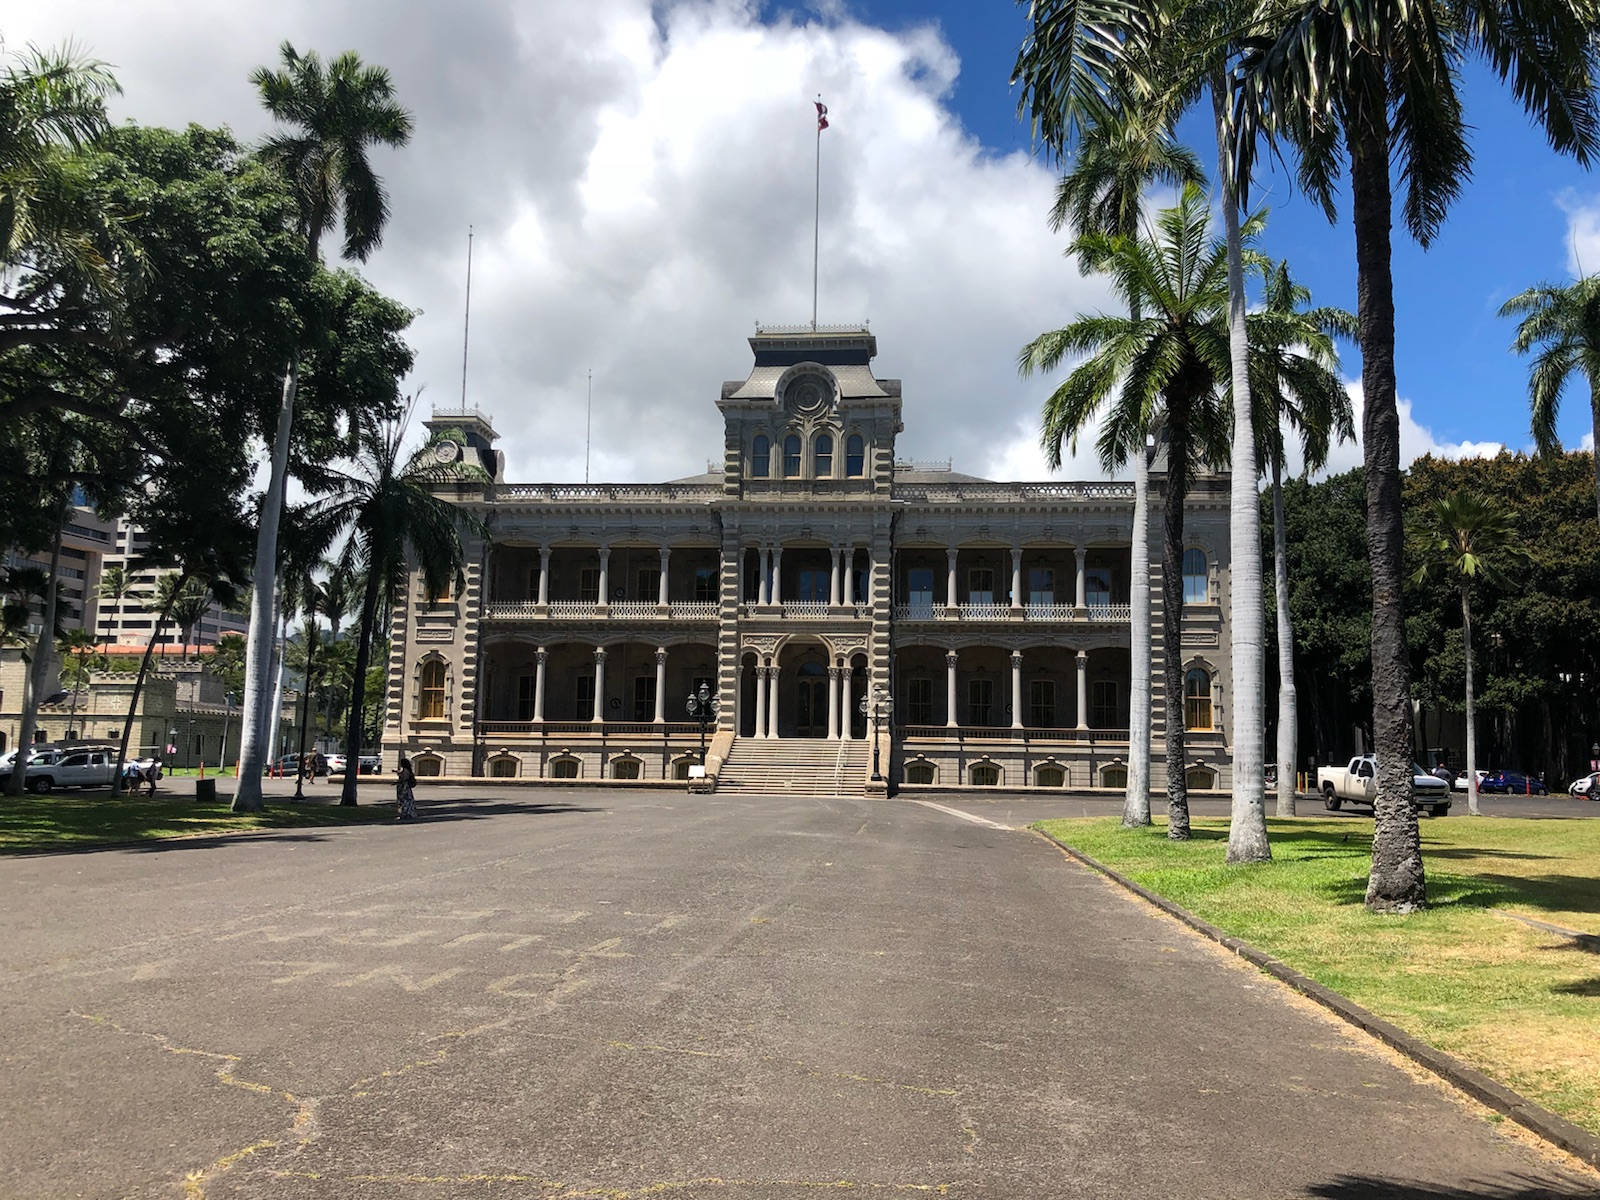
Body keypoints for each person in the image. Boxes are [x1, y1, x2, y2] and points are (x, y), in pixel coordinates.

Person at [395, 754, 417, 821]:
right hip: (406, 788)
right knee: (408, 801)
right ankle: (409, 813)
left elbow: (404, 778)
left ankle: (404, 814)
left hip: (403, 787)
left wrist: (398, 782)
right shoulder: (408, 770)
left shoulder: (405, 771)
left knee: (403, 801)